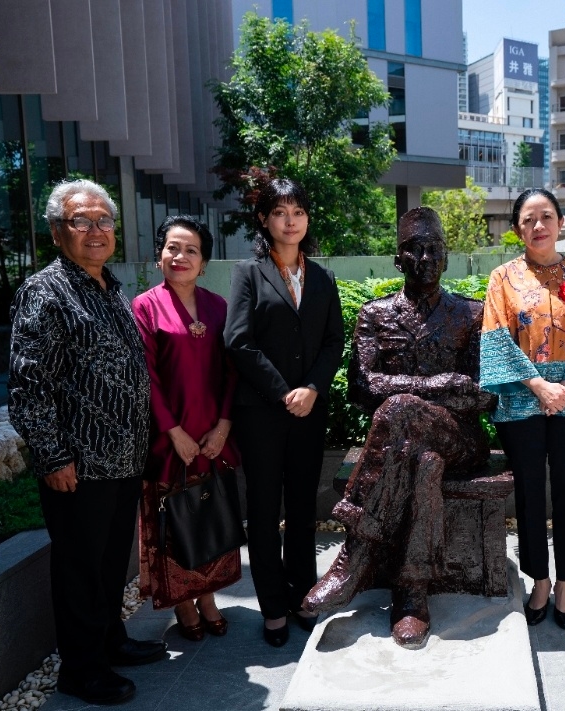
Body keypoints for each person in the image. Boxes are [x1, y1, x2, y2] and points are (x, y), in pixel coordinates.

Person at [302, 206, 497, 649]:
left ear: (446, 258)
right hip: (409, 445)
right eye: (414, 250)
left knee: (400, 408)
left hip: (461, 439)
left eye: (434, 250)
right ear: (397, 260)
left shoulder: (472, 314)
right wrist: (438, 383)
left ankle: (355, 555)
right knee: (423, 461)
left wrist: (420, 393)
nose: (425, 258)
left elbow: (482, 392)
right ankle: (411, 597)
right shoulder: (376, 315)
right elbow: (362, 385)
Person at [8, 179, 166, 705]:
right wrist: (52, 456)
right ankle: (82, 669)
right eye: (82, 221)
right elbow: (30, 386)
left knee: (107, 564)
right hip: (77, 465)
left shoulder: (111, 287)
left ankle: (109, 641)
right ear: (58, 231)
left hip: (122, 459)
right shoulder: (45, 292)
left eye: (104, 221)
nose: (96, 230)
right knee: (79, 570)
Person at [480, 188, 565, 630]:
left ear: (560, 222)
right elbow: (496, 338)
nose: (539, 226)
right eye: (529, 219)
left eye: (547, 217)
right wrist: (539, 385)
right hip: (522, 398)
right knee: (530, 493)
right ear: (517, 227)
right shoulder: (502, 278)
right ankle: (539, 579)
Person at [224, 178, 344, 648]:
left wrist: (312, 387)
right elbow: (238, 340)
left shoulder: (323, 276)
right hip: (263, 413)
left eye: (297, 211)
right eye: (279, 212)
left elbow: (334, 340)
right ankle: (272, 606)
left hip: (309, 412)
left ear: (307, 219)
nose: (290, 220)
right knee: (263, 506)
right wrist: (284, 392)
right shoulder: (248, 274)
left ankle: (301, 596)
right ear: (264, 219)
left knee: (301, 510)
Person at [132, 216, 242, 641]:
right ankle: (182, 601)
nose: (180, 257)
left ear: (204, 262)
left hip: (215, 436)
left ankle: (210, 597)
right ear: (159, 254)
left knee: (210, 515)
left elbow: (233, 373)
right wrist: (174, 432)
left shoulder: (219, 307)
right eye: (172, 248)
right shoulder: (145, 306)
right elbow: (147, 378)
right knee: (173, 523)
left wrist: (223, 427)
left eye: (191, 250)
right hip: (168, 440)